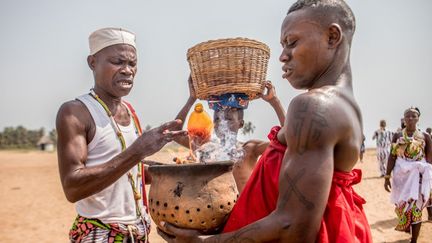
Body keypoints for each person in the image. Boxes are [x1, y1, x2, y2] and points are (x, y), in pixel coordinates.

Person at [158, 0, 372, 242]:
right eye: (283, 45)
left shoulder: (315, 106)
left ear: (332, 37)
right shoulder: (344, 104)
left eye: (292, 43)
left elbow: (292, 226)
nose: (283, 56)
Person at [56, 27, 186, 242]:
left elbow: (130, 171)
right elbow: (73, 187)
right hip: (100, 233)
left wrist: (173, 173)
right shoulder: (76, 112)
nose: (127, 70)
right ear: (92, 63)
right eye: (117, 62)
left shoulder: (129, 112)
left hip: (137, 233)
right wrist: (138, 151)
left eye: (132, 64)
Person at [173, 77, 285, 193]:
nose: (222, 123)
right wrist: (192, 99)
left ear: (240, 124)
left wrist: (274, 101)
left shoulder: (249, 149)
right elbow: (175, 134)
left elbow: (289, 139)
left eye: (229, 119)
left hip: (244, 210)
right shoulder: (207, 147)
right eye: (217, 119)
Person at [384, 107, 432, 242]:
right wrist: (387, 177)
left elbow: (429, 160)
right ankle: (407, 225)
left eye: (413, 116)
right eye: (408, 116)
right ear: (404, 119)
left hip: (419, 178)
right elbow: (392, 157)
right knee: (402, 208)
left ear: (418, 119)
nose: (410, 118)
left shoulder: (425, 137)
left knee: (417, 210)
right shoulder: (397, 136)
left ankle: (414, 240)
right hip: (401, 178)